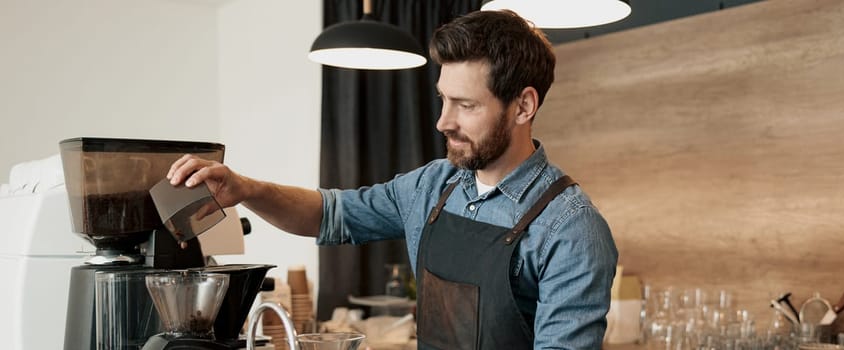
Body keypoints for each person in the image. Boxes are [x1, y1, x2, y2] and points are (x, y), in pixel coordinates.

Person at [166, 9, 618, 350]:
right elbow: (330, 215)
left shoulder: (572, 229)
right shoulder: (434, 186)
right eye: (443, 100)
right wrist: (245, 189)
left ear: (523, 107)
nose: (443, 122)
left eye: (466, 105)